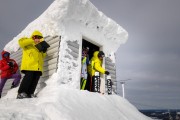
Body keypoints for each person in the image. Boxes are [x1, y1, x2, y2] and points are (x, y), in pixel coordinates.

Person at [17, 30, 47, 99]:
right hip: (29, 65)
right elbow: (21, 43)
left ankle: (30, 93)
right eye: (37, 37)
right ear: (33, 36)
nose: (38, 38)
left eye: (40, 37)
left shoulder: (39, 46)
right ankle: (21, 93)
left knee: (35, 80)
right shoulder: (27, 42)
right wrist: (32, 40)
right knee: (28, 78)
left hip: (38, 67)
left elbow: (43, 56)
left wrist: (44, 51)